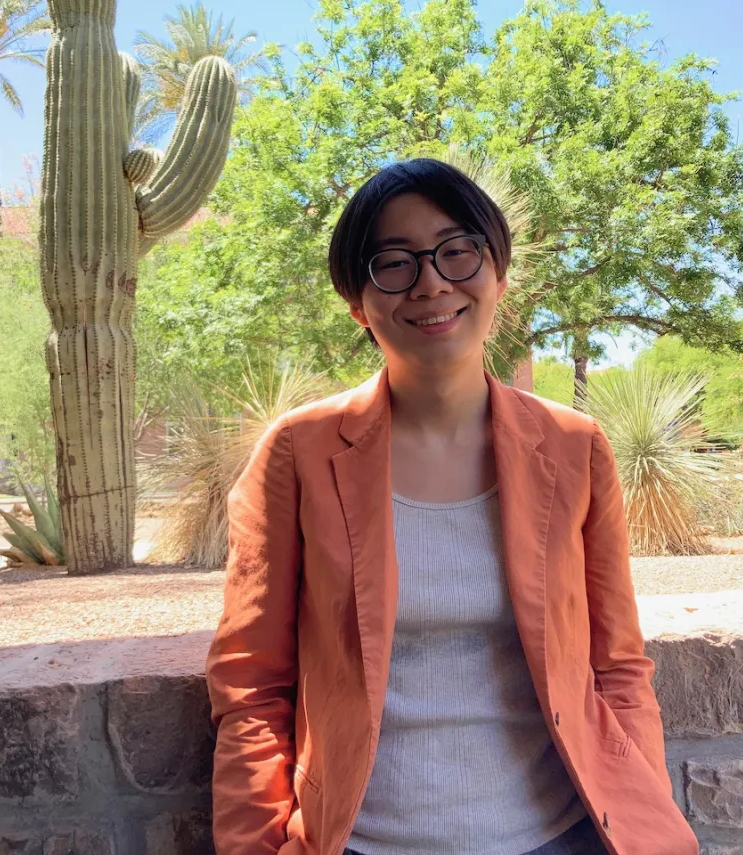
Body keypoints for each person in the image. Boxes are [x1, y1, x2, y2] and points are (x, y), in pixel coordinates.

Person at [205, 158, 699, 855]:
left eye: (456, 251)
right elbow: (251, 683)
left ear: (498, 274)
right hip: (360, 842)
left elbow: (616, 665)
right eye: (394, 262)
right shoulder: (299, 453)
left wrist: (645, 813)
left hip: (561, 837)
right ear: (358, 302)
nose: (431, 281)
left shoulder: (574, 448)